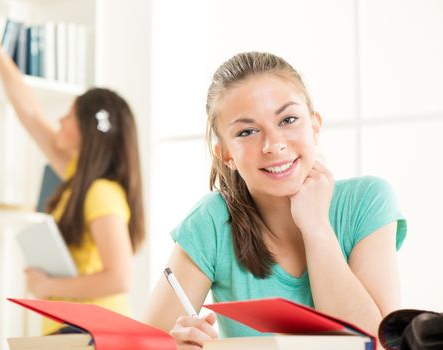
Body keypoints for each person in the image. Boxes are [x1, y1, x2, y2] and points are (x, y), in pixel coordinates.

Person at [143, 51, 407, 349]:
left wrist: (316, 227)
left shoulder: (367, 202)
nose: (273, 145)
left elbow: (376, 344)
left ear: (315, 126)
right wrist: (176, 344)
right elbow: (144, 345)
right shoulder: (212, 222)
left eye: (288, 119)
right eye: (247, 131)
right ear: (226, 154)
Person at [0, 5, 145, 335]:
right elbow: (30, 114)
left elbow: (121, 277)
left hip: (92, 332)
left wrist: (49, 285)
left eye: (69, 115)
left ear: (88, 130)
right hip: (76, 329)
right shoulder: (79, 178)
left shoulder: (101, 193)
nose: (59, 120)